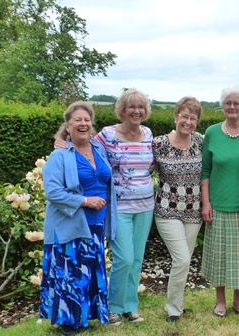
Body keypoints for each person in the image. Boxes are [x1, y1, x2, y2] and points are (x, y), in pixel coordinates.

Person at [54, 88, 155, 325]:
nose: (136, 111)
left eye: (141, 107)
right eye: (131, 106)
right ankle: (112, 307)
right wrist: (61, 142)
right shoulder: (107, 135)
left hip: (145, 205)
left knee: (137, 258)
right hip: (118, 207)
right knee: (124, 258)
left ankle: (130, 306)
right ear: (122, 110)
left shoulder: (149, 133)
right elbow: (81, 140)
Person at [40, 101, 117, 335]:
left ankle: (84, 316)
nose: (83, 124)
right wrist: (85, 201)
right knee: (70, 272)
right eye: (77, 120)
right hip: (71, 223)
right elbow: (52, 192)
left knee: (89, 272)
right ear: (68, 125)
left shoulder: (98, 149)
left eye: (87, 120)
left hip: (95, 223)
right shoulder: (60, 155)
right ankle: (67, 321)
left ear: (92, 125)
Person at [201, 84, 239, 317]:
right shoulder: (212, 132)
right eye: (228, 102)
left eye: (236, 103)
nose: (232, 106)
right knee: (219, 257)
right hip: (218, 204)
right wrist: (206, 203)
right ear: (222, 106)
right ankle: (220, 301)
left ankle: (238, 301)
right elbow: (205, 170)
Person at [152, 96, 204, 323]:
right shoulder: (159, 143)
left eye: (193, 118)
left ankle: (178, 304)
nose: (188, 121)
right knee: (182, 259)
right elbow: (135, 160)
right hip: (167, 210)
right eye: (184, 116)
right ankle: (173, 308)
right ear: (175, 116)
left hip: (194, 212)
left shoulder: (202, 141)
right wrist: (62, 139)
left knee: (184, 259)